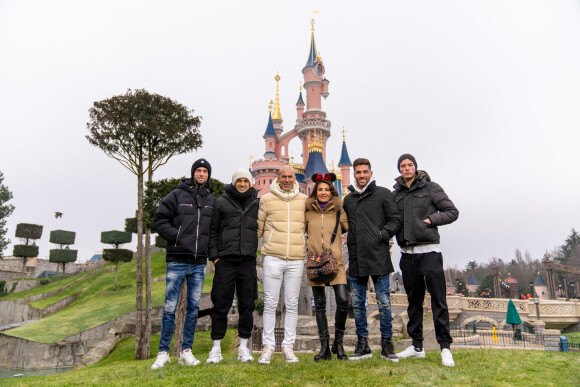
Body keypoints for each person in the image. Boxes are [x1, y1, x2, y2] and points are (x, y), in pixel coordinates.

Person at [393, 154, 459, 367]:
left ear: (415, 167)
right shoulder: (396, 194)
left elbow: (451, 212)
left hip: (429, 252)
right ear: (400, 169)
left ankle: (445, 348)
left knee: (439, 301)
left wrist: (431, 220)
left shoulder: (431, 188)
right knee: (414, 303)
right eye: (402, 166)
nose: (406, 168)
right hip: (407, 255)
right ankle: (417, 346)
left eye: (409, 165)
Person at [151, 158, 215, 369]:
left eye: (205, 171)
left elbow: (214, 229)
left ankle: (186, 351)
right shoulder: (177, 195)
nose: (202, 174)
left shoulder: (211, 200)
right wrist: (176, 236)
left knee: (193, 308)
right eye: (198, 170)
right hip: (177, 259)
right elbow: (159, 219)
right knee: (170, 308)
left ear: (208, 175)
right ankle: (163, 353)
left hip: (198, 263)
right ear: (193, 173)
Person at [342, 158, 402, 362]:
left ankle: (387, 345)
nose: (361, 176)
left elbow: (396, 220)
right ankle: (363, 344)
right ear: (354, 174)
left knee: (384, 302)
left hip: (378, 255)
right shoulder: (348, 200)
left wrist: (382, 236)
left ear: (370, 173)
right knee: (358, 304)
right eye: (357, 172)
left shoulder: (383, 194)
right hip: (357, 256)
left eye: (364, 172)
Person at [206, 168, 260, 364]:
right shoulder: (220, 203)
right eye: (239, 181)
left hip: (247, 260)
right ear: (234, 182)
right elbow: (212, 231)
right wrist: (215, 258)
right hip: (226, 261)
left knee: (247, 305)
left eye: (246, 181)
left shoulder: (257, 203)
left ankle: (244, 348)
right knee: (221, 304)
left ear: (250, 183)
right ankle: (216, 348)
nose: (243, 184)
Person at [256, 166, 307, 364]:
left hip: (295, 258)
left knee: (292, 304)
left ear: (295, 179)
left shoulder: (303, 201)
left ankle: (288, 346)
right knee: (270, 303)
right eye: (283, 176)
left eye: (290, 177)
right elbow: (258, 228)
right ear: (277, 178)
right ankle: (268, 347)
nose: (287, 180)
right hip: (273, 258)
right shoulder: (267, 199)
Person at [305, 173, 349, 361]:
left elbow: (350, 228)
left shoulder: (339, 211)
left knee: (342, 301)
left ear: (332, 192)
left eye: (327, 190)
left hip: (335, 262)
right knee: (320, 305)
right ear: (315, 192)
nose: (323, 193)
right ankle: (324, 347)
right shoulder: (308, 212)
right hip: (315, 263)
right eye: (320, 189)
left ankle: (337, 343)